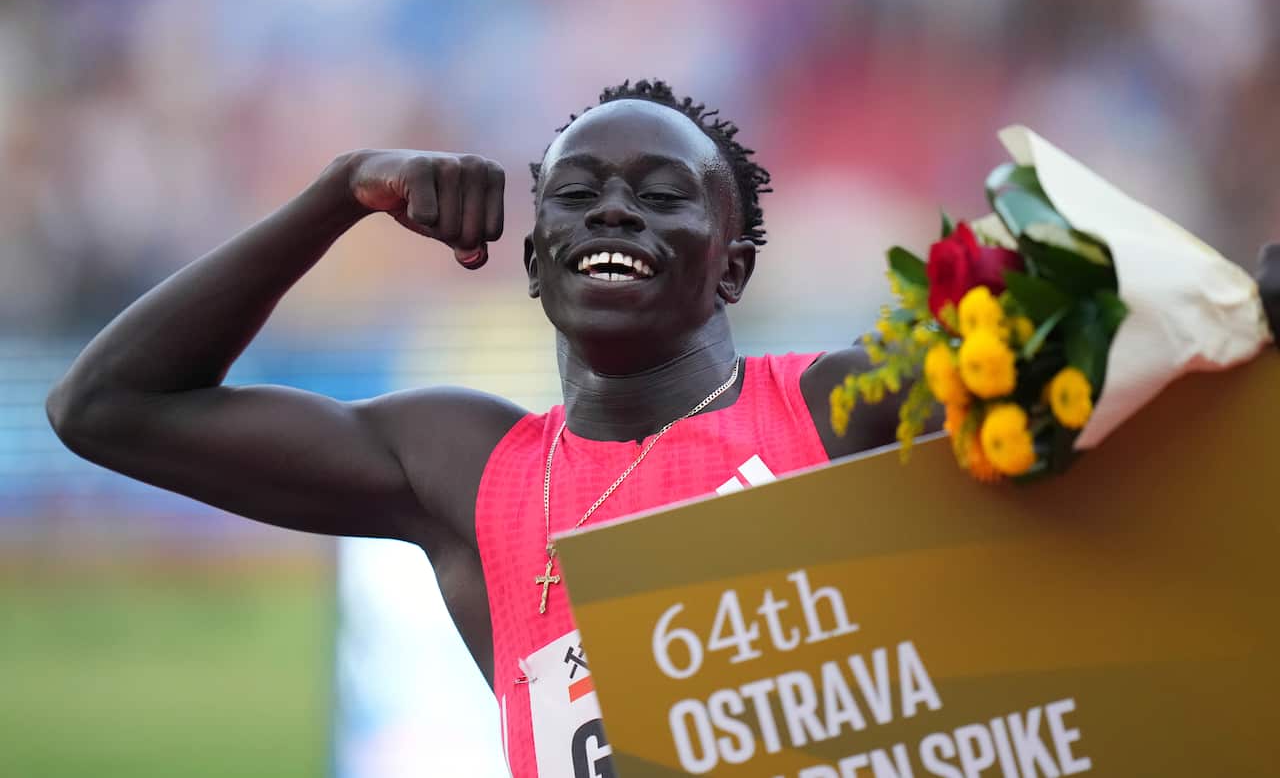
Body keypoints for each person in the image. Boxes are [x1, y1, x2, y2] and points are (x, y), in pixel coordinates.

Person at [46, 79, 1280, 777]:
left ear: (732, 261)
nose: (612, 211)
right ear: (530, 259)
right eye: (574, 195)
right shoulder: (467, 468)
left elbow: (1143, 378)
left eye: (659, 194)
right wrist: (339, 192)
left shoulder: (850, 402)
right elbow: (108, 409)